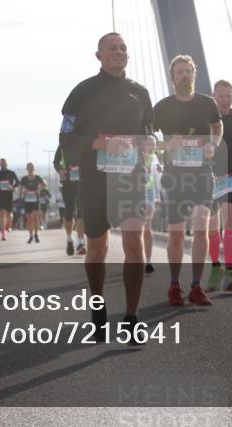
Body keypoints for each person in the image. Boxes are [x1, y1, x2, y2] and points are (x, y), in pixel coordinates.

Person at [60, 32, 153, 341]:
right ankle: (98, 310)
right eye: (112, 48)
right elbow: (66, 137)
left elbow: (147, 132)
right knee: (98, 249)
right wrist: (94, 143)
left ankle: (131, 318)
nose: (119, 52)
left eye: (124, 48)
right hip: (95, 180)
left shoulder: (140, 93)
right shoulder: (82, 92)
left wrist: (150, 141)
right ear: (98, 55)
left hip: (131, 178)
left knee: (133, 243)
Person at [153, 55, 223, 308]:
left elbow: (217, 127)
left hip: (202, 174)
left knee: (202, 225)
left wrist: (213, 145)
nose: (185, 76)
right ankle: (174, 284)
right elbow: (148, 140)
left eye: (188, 71)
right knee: (177, 234)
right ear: (173, 78)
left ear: (194, 75)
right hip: (174, 177)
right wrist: (164, 145)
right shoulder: (161, 107)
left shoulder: (207, 103)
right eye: (180, 72)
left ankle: (196, 286)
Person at [208, 79, 232, 291]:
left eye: (228, 96)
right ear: (213, 96)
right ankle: (216, 267)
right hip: (208, 175)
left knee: (230, 219)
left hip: (230, 173)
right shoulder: (206, 118)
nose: (225, 100)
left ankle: (230, 271)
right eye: (221, 96)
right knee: (212, 225)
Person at [55, 144, 87, 256]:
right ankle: (69, 239)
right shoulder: (64, 143)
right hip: (68, 184)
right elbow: (56, 162)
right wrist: (60, 171)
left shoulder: (85, 140)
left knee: (81, 213)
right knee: (69, 213)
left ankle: (80, 243)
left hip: (83, 183)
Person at [141, 135, 162, 274]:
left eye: (154, 144)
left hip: (149, 194)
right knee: (137, 229)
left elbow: (157, 179)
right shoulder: (136, 156)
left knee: (147, 226)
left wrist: (161, 172)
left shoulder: (155, 158)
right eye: (150, 143)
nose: (152, 146)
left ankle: (148, 261)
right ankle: (136, 257)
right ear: (143, 144)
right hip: (134, 193)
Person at [0, 158, 19, 240]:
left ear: (7, 164)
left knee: (8, 214)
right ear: (0, 164)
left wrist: (13, 187)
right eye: (1, 163)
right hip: (0, 196)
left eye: (4, 163)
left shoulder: (11, 173)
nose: (2, 164)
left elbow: (18, 182)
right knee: (1, 213)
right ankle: (3, 232)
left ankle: (9, 224)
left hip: (9, 195)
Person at [20, 162, 46, 243]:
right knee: (29, 219)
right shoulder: (24, 179)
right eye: (29, 167)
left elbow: (44, 184)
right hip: (27, 201)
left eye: (32, 167)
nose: (30, 169)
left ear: (34, 169)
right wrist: (23, 192)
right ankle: (31, 236)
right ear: (27, 169)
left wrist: (38, 190)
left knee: (34, 217)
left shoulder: (37, 177)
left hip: (35, 200)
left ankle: (36, 234)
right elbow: (20, 189)